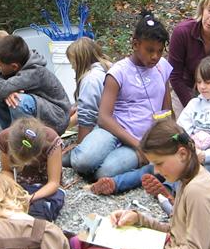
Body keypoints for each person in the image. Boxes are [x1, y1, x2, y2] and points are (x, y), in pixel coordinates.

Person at [73, 119, 210, 249]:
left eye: (159, 163)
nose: (155, 171)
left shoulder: (199, 191)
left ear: (183, 154)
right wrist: (139, 220)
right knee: (94, 233)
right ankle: (65, 248)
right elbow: (178, 231)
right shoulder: (188, 179)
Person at [91, 55, 210, 199]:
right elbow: (181, 128)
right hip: (186, 149)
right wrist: (180, 145)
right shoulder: (196, 103)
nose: (202, 87)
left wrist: (205, 155)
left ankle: (169, 191)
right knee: (155, 166)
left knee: (194, 174)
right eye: (199, 82)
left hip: (209, 158)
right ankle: (116, 183)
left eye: (207, 82)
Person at [71, 12, 172, 184]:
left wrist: (161, 141)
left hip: (143, 138)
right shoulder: (118, 72)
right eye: (149, 50)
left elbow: (166, 111)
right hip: (114, 131)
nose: (155, 56)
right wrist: (137, 145)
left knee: (105, 172)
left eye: (159, 51)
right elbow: (103, 118)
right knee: (82, 162)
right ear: (135, 44)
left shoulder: (162, 67)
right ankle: (65, 154)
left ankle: (133, 160)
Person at [0, 34, 71, 135]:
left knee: (18, 101)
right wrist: (7, 92)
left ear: (14, 67)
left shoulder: (34, 72)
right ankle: (10, 135)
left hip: (56, 119)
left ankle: (24, 141)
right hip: (37, 112)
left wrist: (5, 90)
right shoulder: (9, 66)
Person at [0, 117, 65, 221]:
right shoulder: (4, 138)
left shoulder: (51, 140)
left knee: (39, 212)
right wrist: (13, 189)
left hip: (43, 187)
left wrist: (31, 198)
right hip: (18, 186)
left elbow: (54, 183)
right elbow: (6, 171)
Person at [65, 37, 112, 144]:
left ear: (80, 60)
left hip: (103, 130)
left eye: (73, 63)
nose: (73, 68)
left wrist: (79, 144)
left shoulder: (90, 80)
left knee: (66, 157)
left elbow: (86, 116)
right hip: (116, 123)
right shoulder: (107, 68)